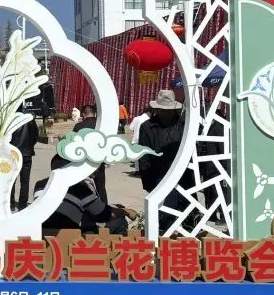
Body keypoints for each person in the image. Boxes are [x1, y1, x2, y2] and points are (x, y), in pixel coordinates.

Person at [137, 90, 193, 233]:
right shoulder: (147, 127)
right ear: (157, 109)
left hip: (184, 177)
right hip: (159, 176)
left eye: (168, 110)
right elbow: (144, 155)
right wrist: (148, 182)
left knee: (188, 215)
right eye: (162, 110)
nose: (165, 113)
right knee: (165, 215)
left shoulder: (184, 125)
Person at [33, 155, 132, 235]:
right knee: (119, 222)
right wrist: (125, 211)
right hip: (69, 237)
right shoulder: (80, 189)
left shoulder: (40, 185)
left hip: (42, 233)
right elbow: (103, 215)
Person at [73, 105, 108, 203]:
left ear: (83, 114)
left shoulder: (79, 126)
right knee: (101, 187)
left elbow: (75, 143)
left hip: (84, 160)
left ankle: (88, 206)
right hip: (99, 160)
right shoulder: (101, 125)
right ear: (94, 113)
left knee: (85, 187)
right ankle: (104, 207)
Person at [10, 113, 39, 211]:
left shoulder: (11, 119)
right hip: (26, 153)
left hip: (13, 153)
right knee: (25, 181)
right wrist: (30, 146)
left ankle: (11, 204)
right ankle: (22, 204)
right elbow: (35, 135)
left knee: (11, 180)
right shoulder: (29, 119)